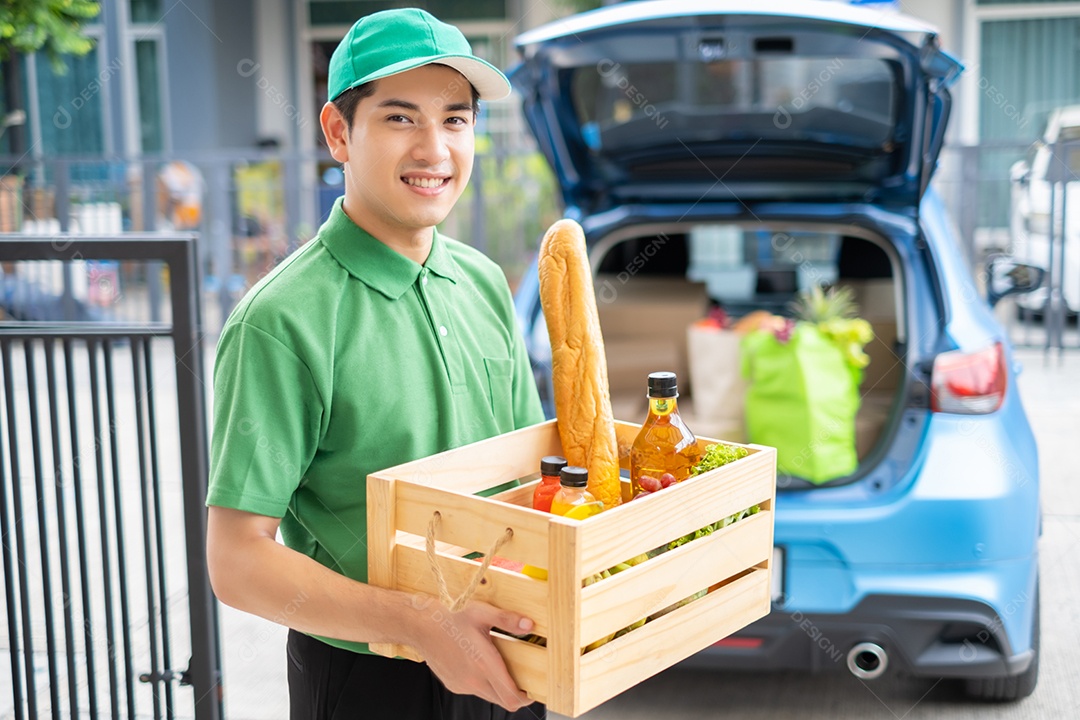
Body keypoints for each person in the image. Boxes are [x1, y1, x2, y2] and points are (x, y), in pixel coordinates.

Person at [204, 8, 546, 719]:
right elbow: (236, 561)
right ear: (338, 132)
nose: (435, 149)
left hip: (512, 656)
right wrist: (420, 623)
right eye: (400, 119)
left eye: (456, 120)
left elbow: (531, 476)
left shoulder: (484, 281)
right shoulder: (281, 318)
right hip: (372, 679)